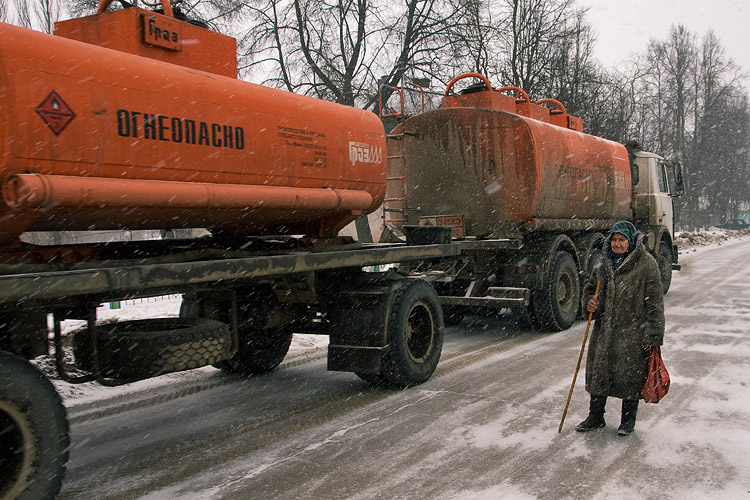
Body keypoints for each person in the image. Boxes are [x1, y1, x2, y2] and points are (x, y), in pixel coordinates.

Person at [575, 220, 665, 436]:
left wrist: (652, 334)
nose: (617, 244)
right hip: (605, 330)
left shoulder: (647, 264)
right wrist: (590, 303)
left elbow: (655, 303)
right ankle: (596, 416)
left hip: (633, 331)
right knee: (599, 373)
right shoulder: (603, 264)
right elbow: (590, 289)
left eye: (621, 240)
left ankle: (627, 421)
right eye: (614, 239)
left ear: (631, 241)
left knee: (631, 375)